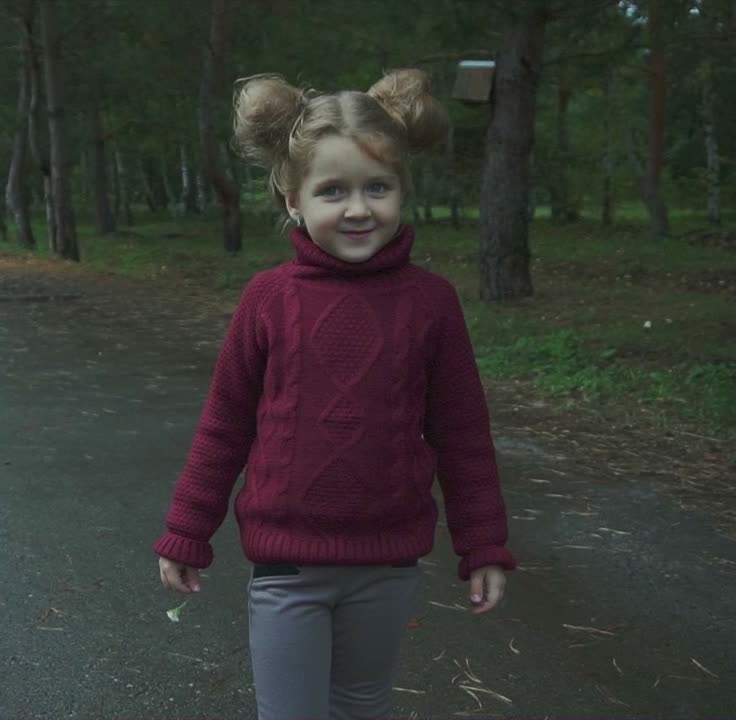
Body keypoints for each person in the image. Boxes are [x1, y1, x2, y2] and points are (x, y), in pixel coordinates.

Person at [153, 69, 515, 720]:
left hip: (388, 565)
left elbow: (462, 434)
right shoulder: (268, 299)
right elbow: (224, 425)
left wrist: (483, 543)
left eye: (377, 187)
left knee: (361, 706)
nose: (356, 208)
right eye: (332, 190)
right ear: (293, 199)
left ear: (403, 190)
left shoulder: (432, 304)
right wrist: (187, 529)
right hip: (287, 567)